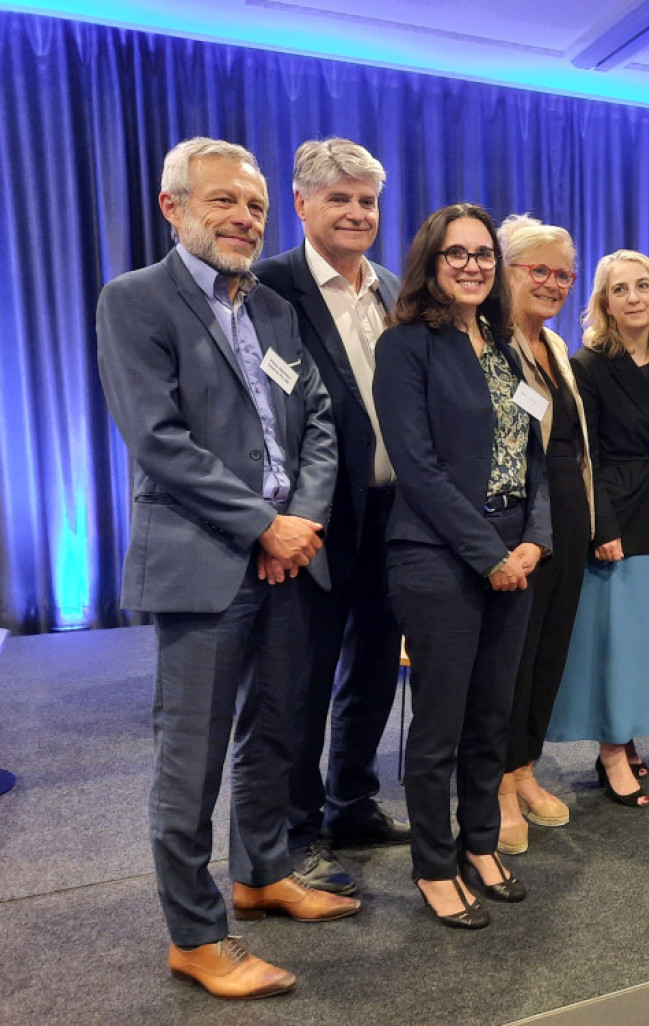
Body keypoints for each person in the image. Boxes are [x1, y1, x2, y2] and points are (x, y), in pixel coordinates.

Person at [96, 137, 358, 1001]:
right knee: (192, 757)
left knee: (276, 732)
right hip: (205, 561)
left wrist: (303, 524)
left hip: (290, 558)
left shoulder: (274, 309)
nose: (243, 218)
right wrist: (261, 527)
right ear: (173, 208)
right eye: (223, 202)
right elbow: (158, 439)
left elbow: (318, 419)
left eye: (253, 206)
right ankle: (197, 935)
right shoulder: (136, 300)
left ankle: (260, 874)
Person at [373, 203, 552, 927]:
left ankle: (481, 842)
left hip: (516, 555)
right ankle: (433, 864)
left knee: (490, 718)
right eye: (458, 253)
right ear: (431, 262)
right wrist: (489, 556)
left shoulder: (508, 348)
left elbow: (535, 458)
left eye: (483, 254)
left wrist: (534, 540)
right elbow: (416, 468)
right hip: (439, 558)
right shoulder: (406, 345)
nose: (473, 264)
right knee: (440, 725)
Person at [253, 138, 408, 900]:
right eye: (340, 198)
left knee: (376, 667)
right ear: (302, 203)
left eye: (368, 201)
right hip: (311, 519)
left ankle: (353, 802)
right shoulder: (267, 285)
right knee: (302, 681)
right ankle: (294, 832)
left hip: (391, 514)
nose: (356, 212)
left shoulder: (390, 286)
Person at [546, 250, 649, 807]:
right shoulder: (588, 365)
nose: (633, 298)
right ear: (603, 302)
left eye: (643, 286)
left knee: (646, 641)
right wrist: (601, 525)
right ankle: (609, 753)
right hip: (613, 514)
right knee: (612, 643)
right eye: (620, 289)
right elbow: (587, 455)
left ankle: (625, 737)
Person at [495, 214, 594, 853]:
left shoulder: (554, 346)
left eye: (564, 274)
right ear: (504, 271)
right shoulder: (486, 345)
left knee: (548, 652)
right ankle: (497, 783)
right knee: (511, 657)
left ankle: (525, 768)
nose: (554, 283)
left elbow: (577, 446)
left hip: (567, 520)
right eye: (540, 270)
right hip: (516, 526)